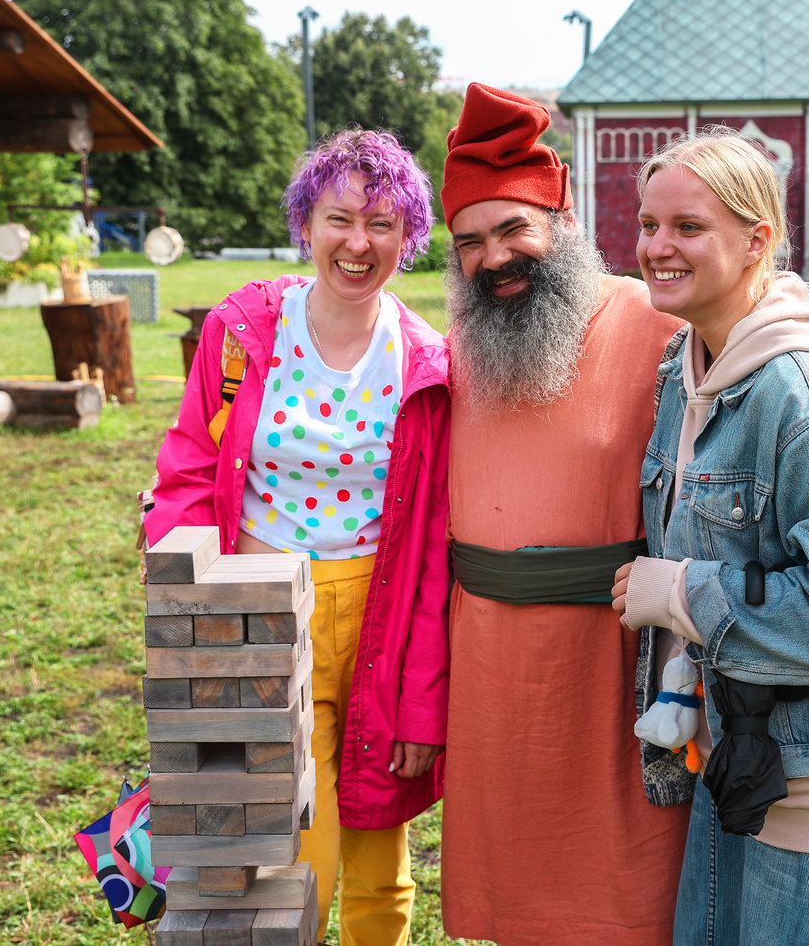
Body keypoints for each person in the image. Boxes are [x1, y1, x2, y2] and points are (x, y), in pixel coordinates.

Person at [612, 129, 809, 946]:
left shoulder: (800, 391)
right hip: (740, 747)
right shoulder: (687, 365)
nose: (657, 247)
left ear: (757, 240)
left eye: (688, 226)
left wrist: (682, 594)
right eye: (649, 225)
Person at [145, 129, 450, 946]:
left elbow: (429, 548)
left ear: (409, 237)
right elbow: (188, 469)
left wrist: (422, 695)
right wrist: (188, 602)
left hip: (378, 614)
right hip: (263, 607)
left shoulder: (426, 362)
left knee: (380, 842)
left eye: (383, 224)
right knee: (290, 846)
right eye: (340, 218)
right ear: (305, 223)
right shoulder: (243, 331)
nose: (358, 243)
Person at [436, 83, 690, 945]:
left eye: (514, 229)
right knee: (520, 901)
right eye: (470, 241)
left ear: (564, 219)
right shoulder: (453, 350)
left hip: (614, 664)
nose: (495, 257)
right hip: (491, 673)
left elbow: (766, 394)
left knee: (626, 890)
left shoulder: (656, 323)